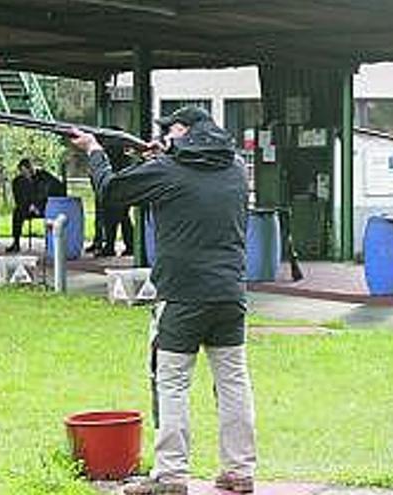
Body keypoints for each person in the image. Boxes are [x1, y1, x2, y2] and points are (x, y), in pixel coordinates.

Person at [69, 106, 255, 495]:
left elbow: (112, 191)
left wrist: (94, 151)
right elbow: (193, 175)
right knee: (234, 383)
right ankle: (239, 471)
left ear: (183, 132)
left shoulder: (168, 170)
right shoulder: (236, 167)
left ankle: (171, 476)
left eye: (170, 131)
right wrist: (166, 154)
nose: (165, 136)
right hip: (230, 293)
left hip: (182, 297)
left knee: (171, 383)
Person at [7, 158, 64, 253]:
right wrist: (28, 207)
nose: (27, 174)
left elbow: (54, 190)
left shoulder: (44, 177)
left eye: (29, 171)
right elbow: (18, 199)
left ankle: (51, 244)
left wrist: (38, 206)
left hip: (43, 207)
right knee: (17, 213)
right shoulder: (18, 182)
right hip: (27, 208)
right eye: (24, 173)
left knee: (51, 213)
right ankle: (16, 243)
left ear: (32, 168)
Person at [99, 137, 135, 257]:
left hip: (117, 190)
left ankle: (111, 246)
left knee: (113, 219)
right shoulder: (126, 159)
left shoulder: (113, 159)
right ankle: (128, 246)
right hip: (123, 191)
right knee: (123, 218)